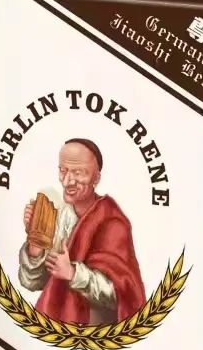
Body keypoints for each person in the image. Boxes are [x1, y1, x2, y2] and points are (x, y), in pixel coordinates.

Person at [18, 139, 145, 325]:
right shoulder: (60, 216)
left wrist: (72, 274)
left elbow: (121, 295)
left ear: (96, 178)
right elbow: (33, 283)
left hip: (96, 331)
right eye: (63, 171)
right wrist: (35, 245)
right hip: (55, 328)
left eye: (78, 173)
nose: (67, 181)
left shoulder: (113, 222)